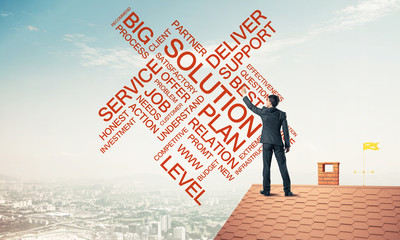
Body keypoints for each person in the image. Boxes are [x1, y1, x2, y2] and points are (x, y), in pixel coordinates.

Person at [240, 87, 293, 196]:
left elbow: (251, 106)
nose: (265, 101)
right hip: (278, 143)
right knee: (283, 166)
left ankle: (267, 190)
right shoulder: (282, 114)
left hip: (267, 143)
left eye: (266, 100)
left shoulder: (264, 111)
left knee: (266, 167)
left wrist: (245, 95)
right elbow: (285, 131)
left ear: (269, 102)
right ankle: (287, 191)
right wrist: (287, 144)